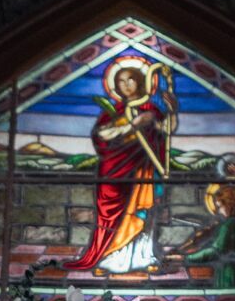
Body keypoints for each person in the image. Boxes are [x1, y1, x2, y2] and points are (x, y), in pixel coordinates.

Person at [63, 58, 176, 275]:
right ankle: (109, 258)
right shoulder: (113, 112)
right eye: (121, 81)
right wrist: (132, 126)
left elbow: (166, 132)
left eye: (131, 80)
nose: (126, 85)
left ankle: (145, 257)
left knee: (144, 212)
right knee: (115, 217)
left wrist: (171, 111)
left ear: (141, 83)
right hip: (115, 173)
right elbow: (101, 136)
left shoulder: (151, 109)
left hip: (144, 169)